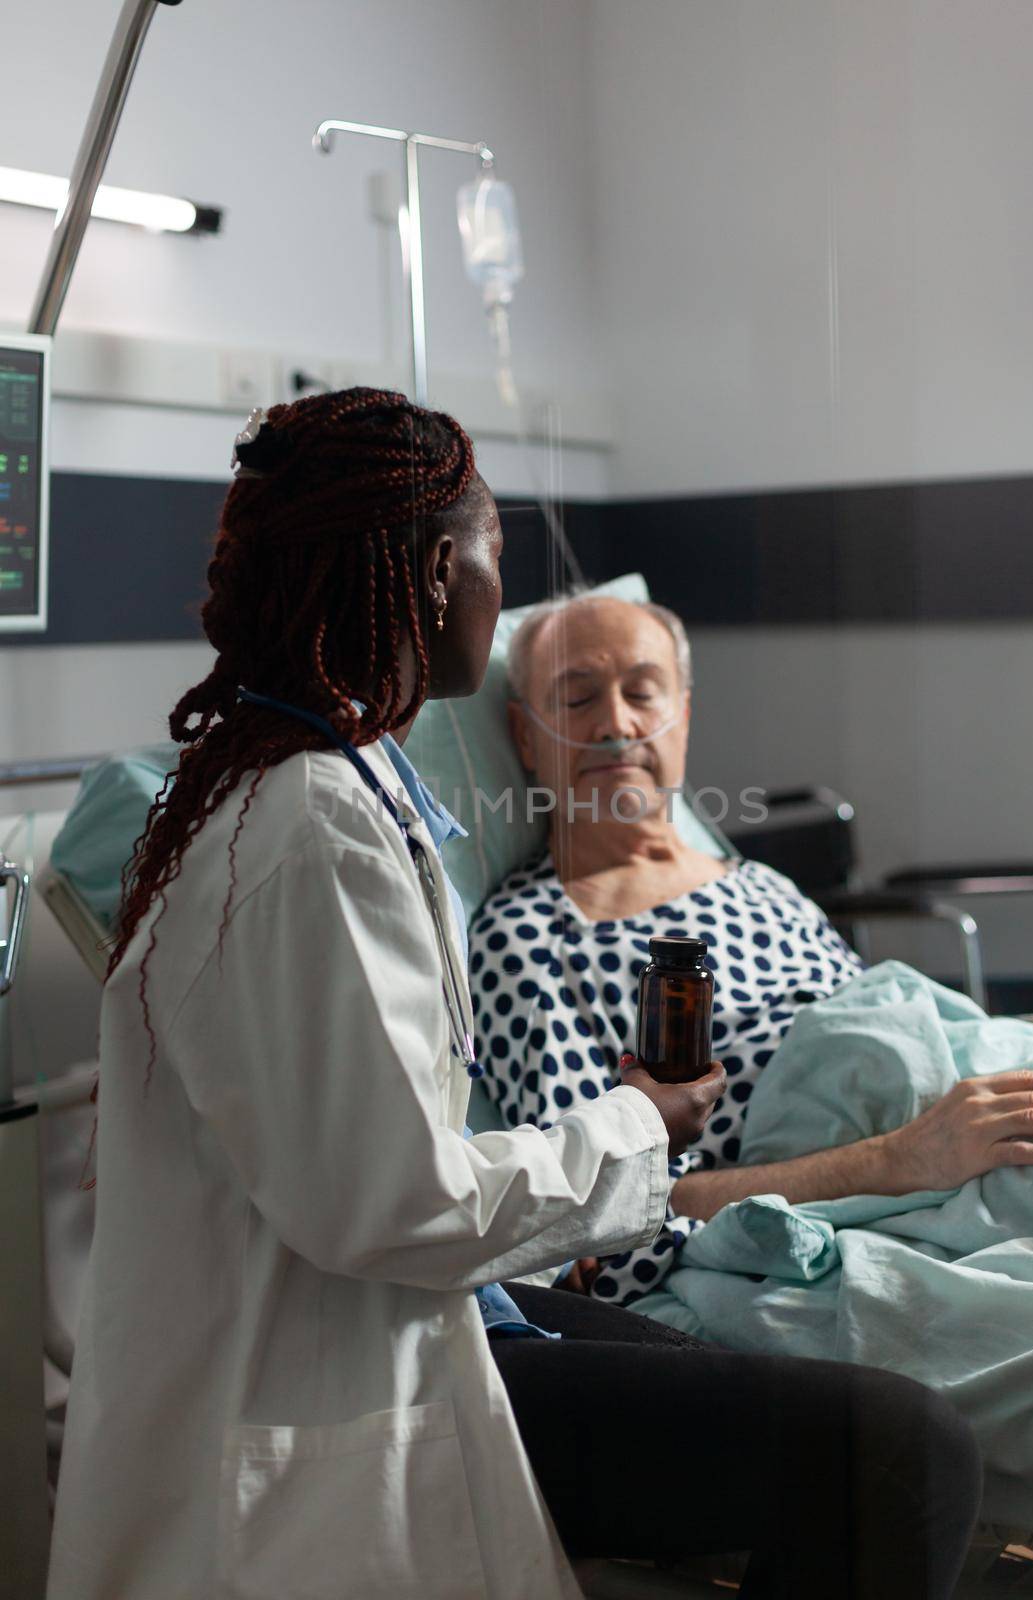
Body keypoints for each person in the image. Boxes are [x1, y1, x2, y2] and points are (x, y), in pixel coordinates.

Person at [48, 390, 981, 1600]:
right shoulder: (312, 831)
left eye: (645, 693)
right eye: (500, 564)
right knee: (899, 1454)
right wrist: (642, 1123)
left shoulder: (313, 788)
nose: (615, 728)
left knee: (769, 1399)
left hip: (438, 1304)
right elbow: (397, 1204)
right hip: (337, 1365)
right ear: (442, 573)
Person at [471, 591, 1033, 1303]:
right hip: (874, 1209)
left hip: (984, 1138)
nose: (617, 724)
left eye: (641, 692)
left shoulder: (761, 886)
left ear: (681, 718)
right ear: (526, 737)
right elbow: (590, 1217)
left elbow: (911, 1044)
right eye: (576, 700)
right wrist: (902, 1157)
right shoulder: (532, 939)